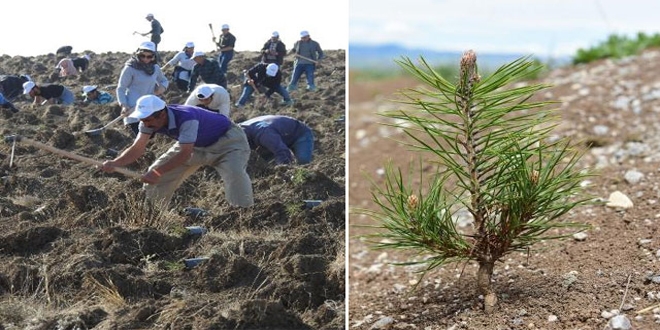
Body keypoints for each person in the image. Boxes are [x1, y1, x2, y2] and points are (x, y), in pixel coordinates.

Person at [100, 95, 254, 207]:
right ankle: (153, 213)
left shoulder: (187, 118)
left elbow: (184, 154)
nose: (145, 123)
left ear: (162, 114)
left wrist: (157, 173)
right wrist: (115, 163)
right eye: (142, 120)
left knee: (235, 174)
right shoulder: (148, 122)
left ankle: (242, 214)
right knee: (157, 174)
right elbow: (138, 147)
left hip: (228, 142)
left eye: (148, 120)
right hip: (195, 146)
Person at [116, 41, 169, 135]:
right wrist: (124, 105)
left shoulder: (155, 68)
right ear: (137, 54)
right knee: (138, 138)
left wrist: (163, 88)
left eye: (149, 56)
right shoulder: (130, 68)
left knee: (152, 137)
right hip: (134, 109)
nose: (145, 59)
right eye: (142, 56)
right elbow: (121, 88)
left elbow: (164, 81)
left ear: (154, 56)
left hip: (151, 108)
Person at [238, 115, 314, 165]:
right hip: (279, 135)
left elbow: (281, 151)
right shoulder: (238, 129)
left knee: (303, 161)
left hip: (299, 134)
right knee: (263, 161)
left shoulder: (263, 133)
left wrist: (284, 170)